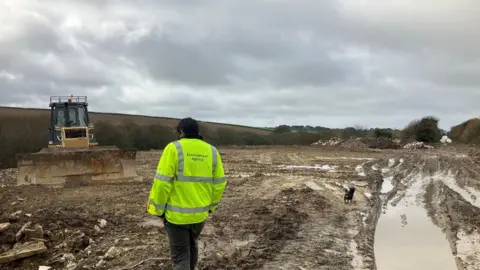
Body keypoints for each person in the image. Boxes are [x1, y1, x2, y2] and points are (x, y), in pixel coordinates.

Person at [146, 117, 227, 270]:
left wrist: (157, 210)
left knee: (180, 256)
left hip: (176, 216)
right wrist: (210, 207)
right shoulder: (212, 151)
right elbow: (220, 183)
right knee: (192, 245)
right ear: (198, 132)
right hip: (200, 215)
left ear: (181, 131)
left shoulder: (173, 148)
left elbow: (162, 183)